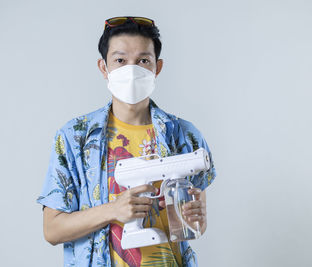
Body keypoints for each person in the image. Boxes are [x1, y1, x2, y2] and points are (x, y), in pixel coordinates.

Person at [37, 16, 216, 267]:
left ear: (158, 67)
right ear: (104, 68)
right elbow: (52, 230)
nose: (132, 70)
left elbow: (194, 226)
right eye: (120, 60)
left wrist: (195, 220)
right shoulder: (75, 138)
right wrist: (113, 210)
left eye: (143, 61)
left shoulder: (185, 136)